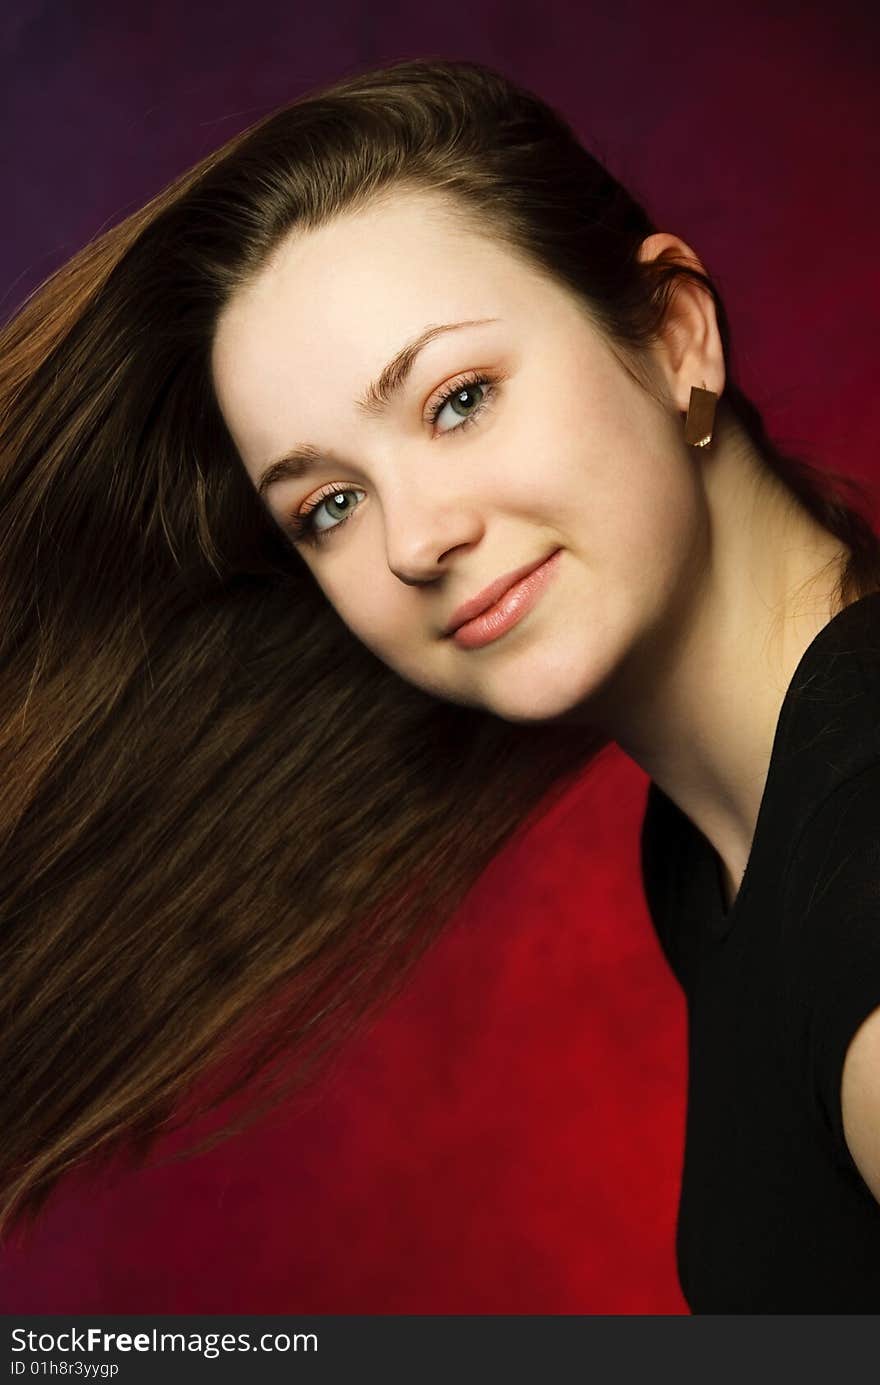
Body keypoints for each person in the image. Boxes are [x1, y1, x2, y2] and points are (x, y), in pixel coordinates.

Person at [1, 57, 879, 1312]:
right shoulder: (714, 846)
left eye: (458, 399)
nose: (410, 541)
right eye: (329, 504)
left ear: (674, 334)